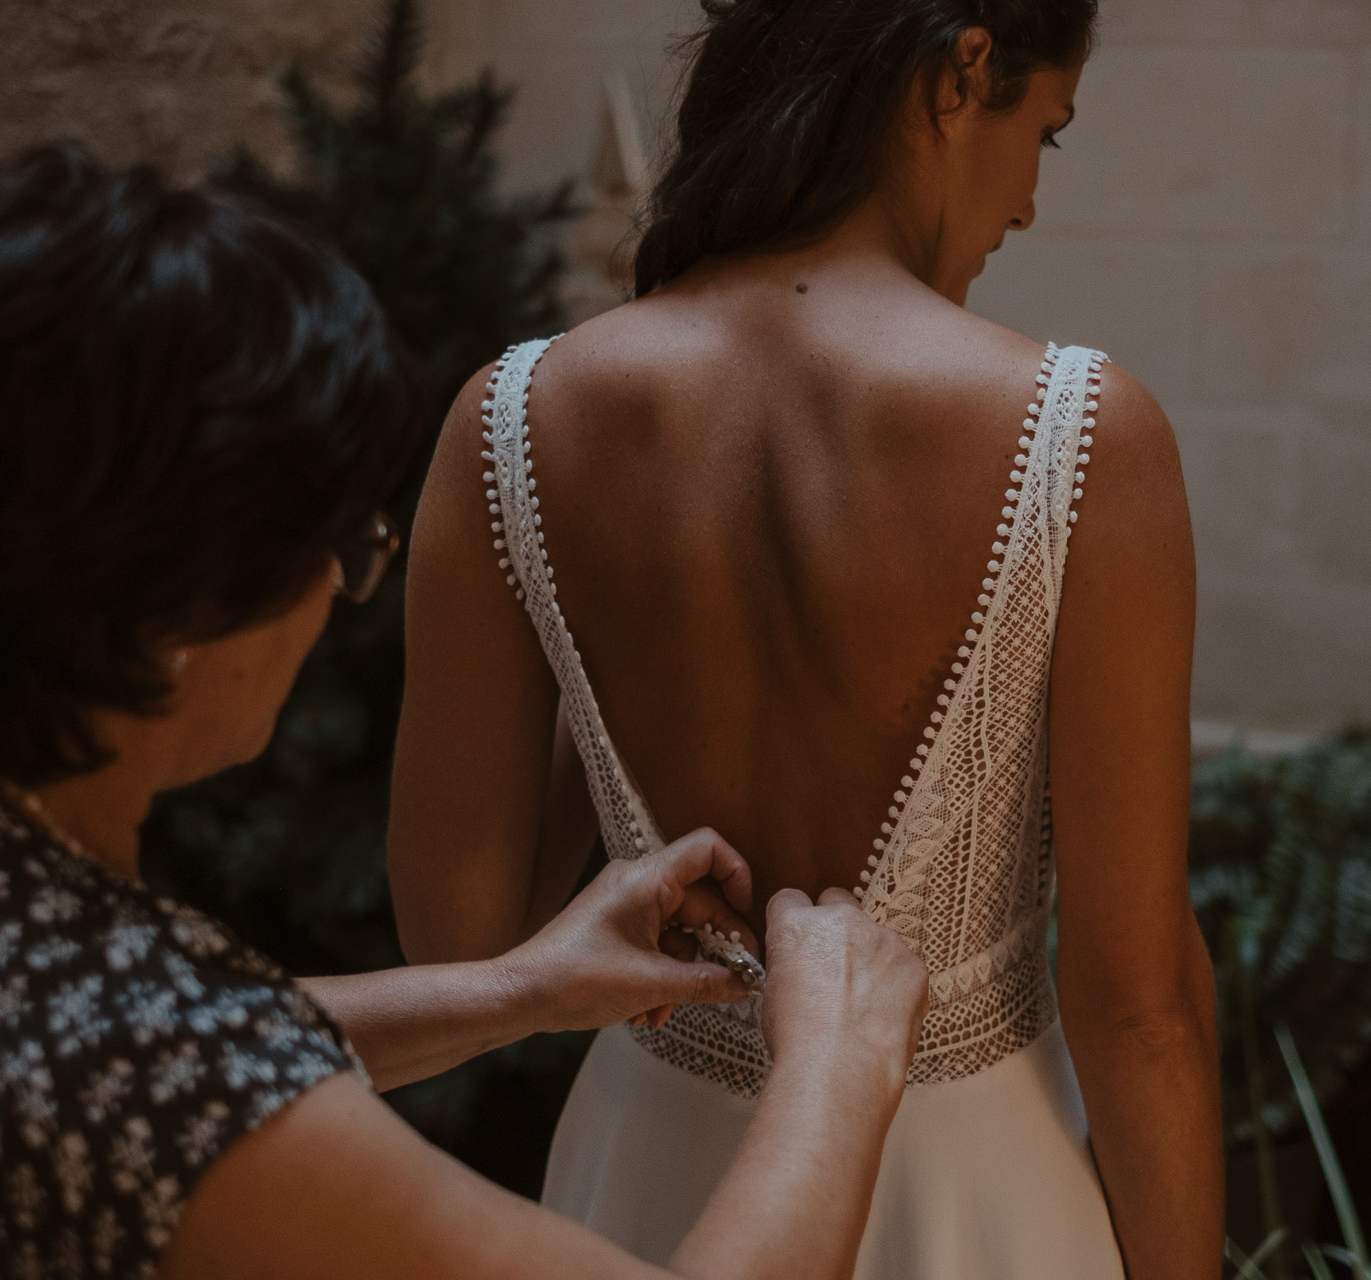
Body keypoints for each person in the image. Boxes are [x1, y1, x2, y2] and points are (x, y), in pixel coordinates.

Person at [0, 143, 929, 1280]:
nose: (333, 588)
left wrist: (513, 988)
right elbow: (155, 1070)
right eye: (339, 546)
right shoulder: (167, 1090)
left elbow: (87, 1044)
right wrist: (839, 1067)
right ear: (175, 607)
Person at [388, 0, 1226, 1276]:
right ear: (961, 72)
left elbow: (460, 943)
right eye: (1044, 138)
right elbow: (1140, 1005)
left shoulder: (508, 419)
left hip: (648, 1170)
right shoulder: (1082, 438)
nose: (1027, 208)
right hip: (970, 1188)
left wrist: (605, 626)